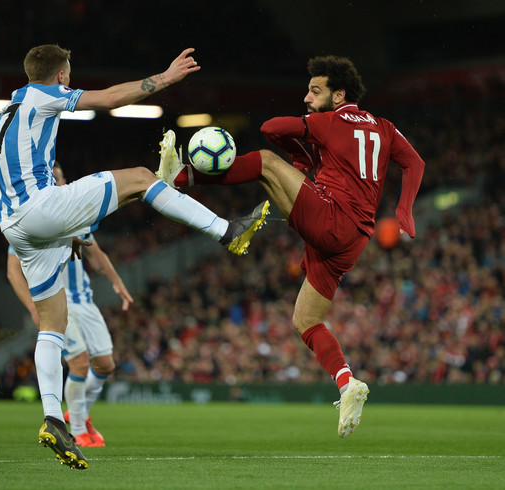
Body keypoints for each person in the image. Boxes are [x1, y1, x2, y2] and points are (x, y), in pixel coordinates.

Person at [0, 44, 268, 469]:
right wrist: (166, 78)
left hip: (16, 225)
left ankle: (51, 419)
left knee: (51, 326)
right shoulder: (44, 94)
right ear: (61, 74)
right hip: (40, 207)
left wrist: (64, 229)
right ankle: (226, 231)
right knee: (140, 177)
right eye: (69, 72)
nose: (69, 79)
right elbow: (110, 99)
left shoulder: (2, 117)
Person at [157, 55, 425, 438]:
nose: (307, 97)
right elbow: (415, 164)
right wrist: (404, 210)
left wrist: (301, 142)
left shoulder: (329, 121)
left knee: (266, 161)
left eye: (315, 91)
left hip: (332, 219)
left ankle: (182, 177)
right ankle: (348, 383)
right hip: (353, 239)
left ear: (339, 95)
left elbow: (270, 127)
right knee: (306, 321)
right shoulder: (385, 127)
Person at [7, 161, 132, 448]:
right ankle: (76, 429)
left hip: (84, 301)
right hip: (58, 302)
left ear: (65, 181)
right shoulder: (32, 215)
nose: (56, 183)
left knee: (105, 365)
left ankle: (79, 413)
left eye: (58, 178)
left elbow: (96, 255)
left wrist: (118, 283)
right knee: (79, 362)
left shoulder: (77, 213)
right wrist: (31, 308)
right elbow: (13, 270)